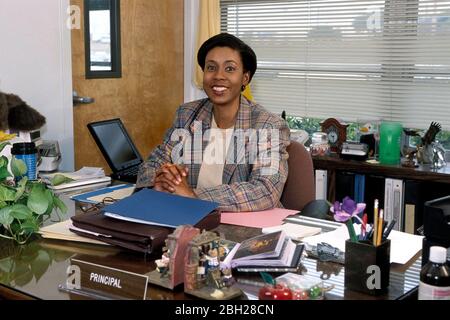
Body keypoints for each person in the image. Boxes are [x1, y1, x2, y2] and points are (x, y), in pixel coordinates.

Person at [136, 33, 290, 212]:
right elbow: (155, 162)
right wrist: (159, 182)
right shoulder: (187, 114)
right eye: (211, 68)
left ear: (245, 78)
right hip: (185, 217)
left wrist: (192, 196)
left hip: (244, 225)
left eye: (230, 69)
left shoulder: (267, 124)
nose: (218, 76)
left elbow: (265, 189)